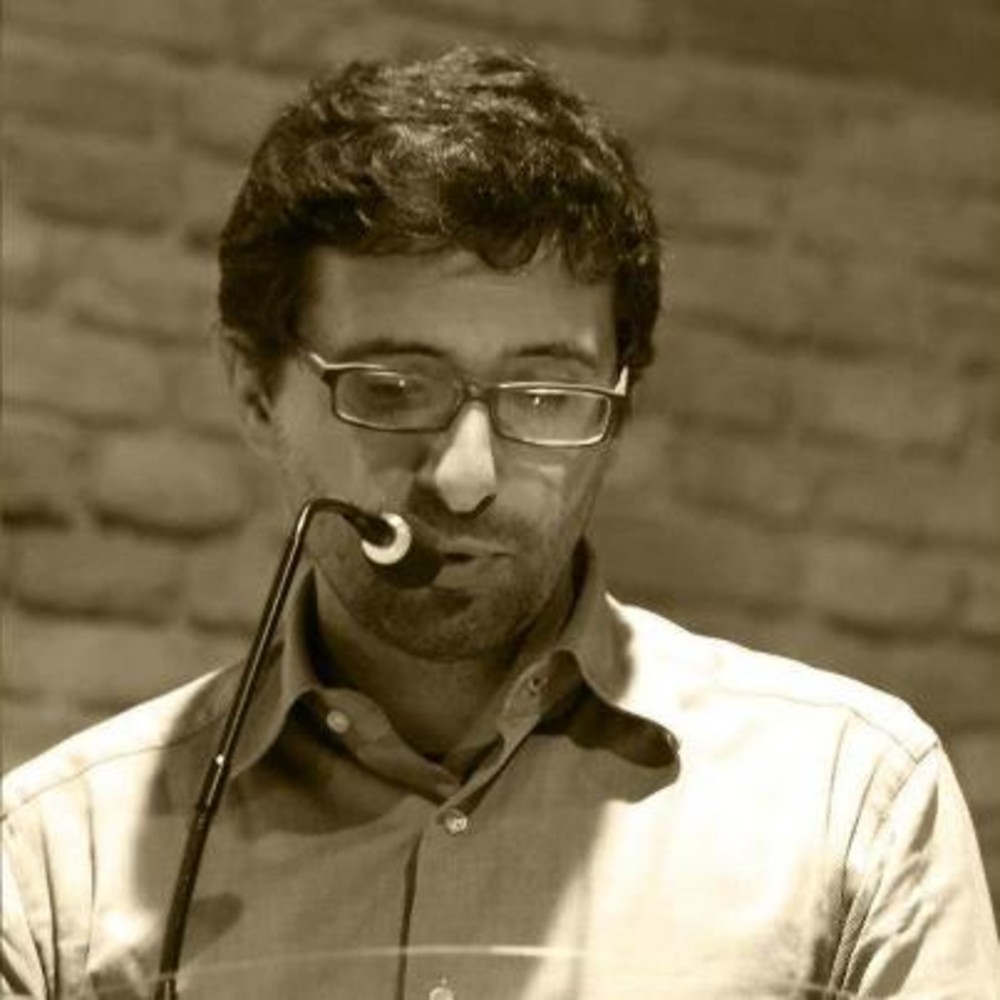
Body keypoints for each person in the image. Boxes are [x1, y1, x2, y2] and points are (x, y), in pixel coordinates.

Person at [2, 47, 998, 1000]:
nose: (466, 476)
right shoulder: (53, 863)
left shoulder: (851, 802)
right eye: (393, 388)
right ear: (255, 390)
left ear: (619, 410)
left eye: (547, 396)